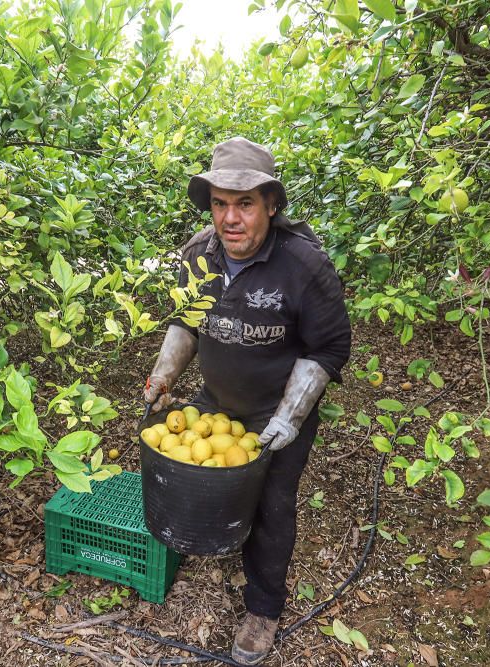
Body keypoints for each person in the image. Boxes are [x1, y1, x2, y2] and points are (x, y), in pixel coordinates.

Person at [143, 137, 351, 665]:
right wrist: (164, 375)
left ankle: (263, 608)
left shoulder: (304, 266)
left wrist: (289, 417)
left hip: (274, 408)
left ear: (271, 204)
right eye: (219, 203)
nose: (229, 218)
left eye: (244, 204)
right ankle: (208, 541)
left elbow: (328, 348)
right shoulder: (198, 253)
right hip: (214, 402)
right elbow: (187, 320)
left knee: (274, 506)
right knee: (196, 477)